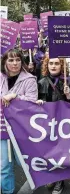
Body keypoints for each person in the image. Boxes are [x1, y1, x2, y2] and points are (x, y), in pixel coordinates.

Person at [36, 56, 70, 194]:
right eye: (51, 64)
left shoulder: (69, 81)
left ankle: (60, 181)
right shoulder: (41, 82)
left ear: (62, 66)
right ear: (47, 65)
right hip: (48, 124)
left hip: (64, 123)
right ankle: (51, 177)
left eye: (56, 64)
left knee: (61, 153)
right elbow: (38, 102)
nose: (53, 66)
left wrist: (69, 95)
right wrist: (40, 103)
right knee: (48, 152)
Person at [0, 49, 38, 194]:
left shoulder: (29, 79)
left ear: (22, 61)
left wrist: (15, 97)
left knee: (26, 164)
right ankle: (8, 191)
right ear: (4, 62)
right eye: (10, 60)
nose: (14, 63)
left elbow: (32, 104)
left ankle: (29, 189)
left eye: (17, 60)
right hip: (2, 128)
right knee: (4, 166)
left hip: (21, 130)